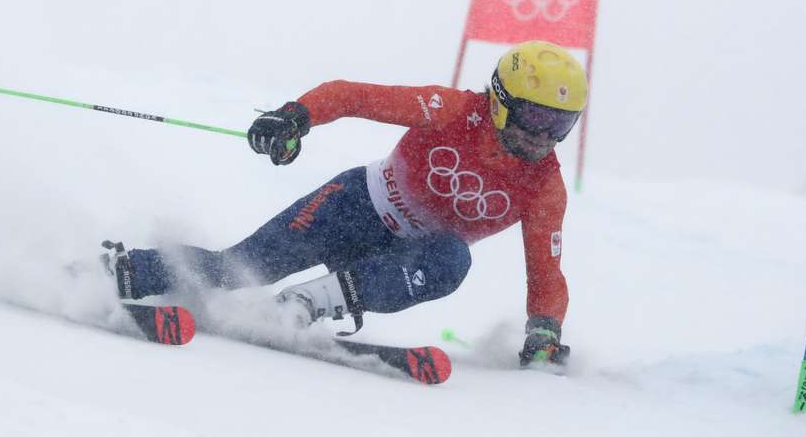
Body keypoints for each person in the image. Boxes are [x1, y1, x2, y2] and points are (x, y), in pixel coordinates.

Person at [104, 40, 587, 366]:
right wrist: (296, 116)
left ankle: (305, 304)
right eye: (537, 118)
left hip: (397, 261)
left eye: (561, 125)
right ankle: (124, 271)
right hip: (354, 206)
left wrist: (544, 332)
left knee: (453, 259)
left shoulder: (544, 185)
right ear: (502, 100)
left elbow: (547, 273)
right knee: (241, 267)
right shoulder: (454, 110)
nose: (545, 137)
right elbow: (354, 96)